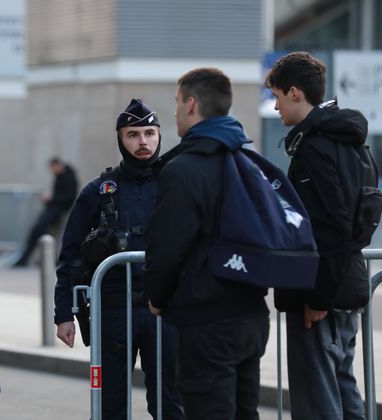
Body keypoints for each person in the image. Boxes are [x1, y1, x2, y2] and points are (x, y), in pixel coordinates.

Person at [143, 68, 270, 419]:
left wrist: (156, 296)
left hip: (208, 320)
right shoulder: (247, 159)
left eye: (177, 102)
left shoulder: (184, 168)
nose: (175, 111)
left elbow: (167, 247)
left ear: (192, 104)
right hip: (252, 314)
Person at [54, 99, 184, 419]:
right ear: (121, 139)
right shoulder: (99, 191)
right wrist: (63, 314)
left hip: (165, 312)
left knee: (171, 404)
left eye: (150, 133)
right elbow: (70, 255)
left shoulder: (178, 183)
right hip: (113, 313)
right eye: (134, 134)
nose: (143, 142)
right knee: (110, 406)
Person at [265, 51, 375, 420]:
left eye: (278, 96)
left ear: (295, 93)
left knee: (317, 400)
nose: (276, 106)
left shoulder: (315, 148)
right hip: (350, 281)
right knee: (344, 390)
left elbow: (329, 228)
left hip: (322, 293)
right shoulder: (353, 141)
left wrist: (318, 297)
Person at [13, 157, 78, 267]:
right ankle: (27, 259)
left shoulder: (69, 178)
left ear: (57, 166)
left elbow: (67, 198)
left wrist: (51, 198)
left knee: (41, 232)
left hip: (58, 210)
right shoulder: (60, 176)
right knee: (38, 231)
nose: (52, 171)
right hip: (53, 209)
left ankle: (41, 259)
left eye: (53, 168)